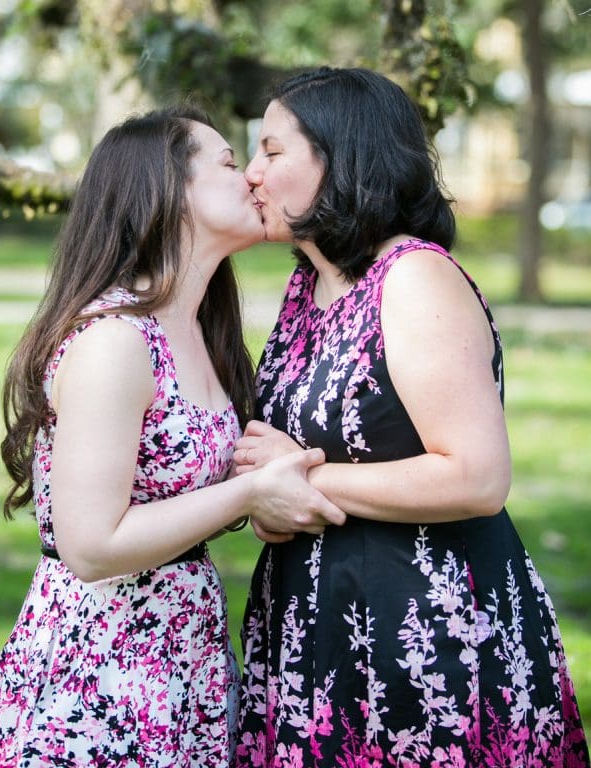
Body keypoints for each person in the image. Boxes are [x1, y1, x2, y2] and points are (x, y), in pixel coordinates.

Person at [0, 105, 345, 768]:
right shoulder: (114, 342)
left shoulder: (198, 332)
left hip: (177, 659)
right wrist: (250, 493)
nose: (253, 177)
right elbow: (92, 544)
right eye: (228, 162)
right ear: (167, 191)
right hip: (96, 671)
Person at [233, 68, 590, 768]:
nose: (251, 173)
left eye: (272, 152)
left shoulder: (412, 278)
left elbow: (475, 477)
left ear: (340, 155)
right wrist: (267, 503)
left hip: (425, 637)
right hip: (317, 629)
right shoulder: (309, 287)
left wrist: (298, 479)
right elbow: (285, 473)